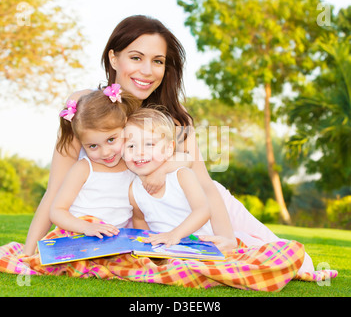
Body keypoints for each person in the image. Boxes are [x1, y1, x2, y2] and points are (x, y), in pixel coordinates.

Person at [23, 15, 314, 274]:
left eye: (158, 61)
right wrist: (29, 252)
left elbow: (205, 184)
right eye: (136, 58)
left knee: (293, 261)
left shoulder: (173, 116)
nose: (147, 70)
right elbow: (55, 188)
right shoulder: (86, 109)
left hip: (201, 205)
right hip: (154, 219)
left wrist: (225, 238)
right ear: (113, 59)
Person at [50, 86, 139, 237]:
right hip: (77, 236)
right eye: (93, 146)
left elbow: (138, 213)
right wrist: (87, 227)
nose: (105, 152)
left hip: (112, 241)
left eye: (111, 139)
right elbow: (57, 211)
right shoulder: (84, 168)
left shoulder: (132, 167)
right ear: (81, 142)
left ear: (125, 125)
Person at [124, 108, 217, 247]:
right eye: (131, 146)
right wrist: (146, 246)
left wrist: (175, 235)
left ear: (168, 149)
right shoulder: (134, 190)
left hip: (198, 247)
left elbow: (203, 211)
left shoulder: (182, 175)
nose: (139, 152)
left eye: (149, 144)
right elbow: (140, 221)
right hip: (164, 250)